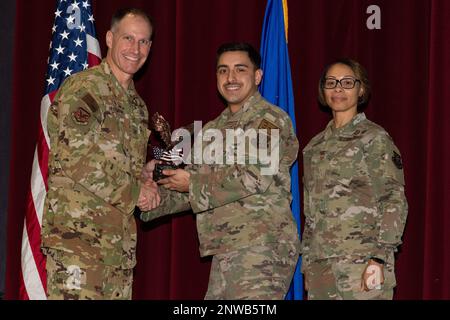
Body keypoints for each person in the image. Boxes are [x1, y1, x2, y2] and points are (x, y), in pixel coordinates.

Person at [139, 42, 300, 300]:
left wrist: (190, 183)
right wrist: (149, 195)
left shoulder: (270, 120)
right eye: (223, 70)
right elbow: (190, 188)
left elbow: (254, 178)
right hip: (226, 248)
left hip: (262, 245)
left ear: (257, 76)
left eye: (240, 69)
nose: (231, 78)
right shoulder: (212, 130)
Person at [41, 8, 160, 300]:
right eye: (128, 38)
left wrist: (145, 175)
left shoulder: (136, 106)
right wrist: (136, 193)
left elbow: (115, 162)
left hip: (116, 251)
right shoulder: (86, 88)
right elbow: (76, 159)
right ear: (109, 38)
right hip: (78, 247)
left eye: (143, 41)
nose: (136, 49)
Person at [301, 58, 408, 300]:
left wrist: (380, 257)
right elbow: (311, 213)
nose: (338, 88)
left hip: (363, 264)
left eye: (347, 82)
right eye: (331, 83)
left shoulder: (374, 138)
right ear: (323, 89)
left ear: (360, 89)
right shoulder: (313, 148)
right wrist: (307, 262)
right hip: (322, 269)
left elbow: (393, 199)